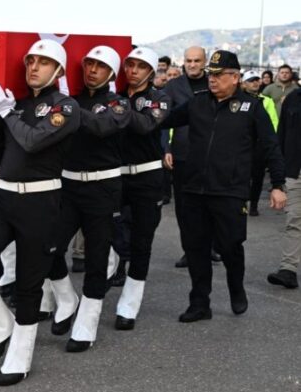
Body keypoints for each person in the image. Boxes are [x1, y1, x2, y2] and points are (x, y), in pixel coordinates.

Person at [0, 39, 82, 386]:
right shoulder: (13, 104)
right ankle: (0, 322)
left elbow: (32, 141)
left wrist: (6, 113)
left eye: (43, 63)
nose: (34, 67)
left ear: (58, 70)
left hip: (41, 201)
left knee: (30, 283)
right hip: (2, 197)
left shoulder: (66, 107)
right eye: (30, 61)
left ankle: (21, 352)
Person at [46, 46, 159, 350]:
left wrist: (67, 107)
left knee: (97, 256)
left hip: (103, 188)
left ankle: (88, 320)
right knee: (47, 249)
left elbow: (100, 127)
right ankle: (68, 299)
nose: (92, 70)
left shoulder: (118, 103)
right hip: (69, 185)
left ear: (111, 73)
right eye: (88, 64)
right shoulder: (72, 99)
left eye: (99, 66)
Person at [160, 50, 285, 322]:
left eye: (218, 75)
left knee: (230, 246)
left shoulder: (252, 107)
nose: (212, 80)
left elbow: (271, 146)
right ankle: (199, 302)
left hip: (229, 190)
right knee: (195, 247)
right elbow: (165, 120)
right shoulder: (197, 102)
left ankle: (236, 288)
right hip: (193, 188)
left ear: (235, 77)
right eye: (211, 74)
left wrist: (278, 185)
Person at [108, 47, 172, 330]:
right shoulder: (114, 95)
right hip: (114, 175)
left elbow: (147, 125)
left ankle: (128, 306)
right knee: (109, 233)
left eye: (139, 66)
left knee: (142, 242)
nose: (133, 71)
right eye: (129, 65)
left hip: (147, 177)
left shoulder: (160, 98)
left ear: (150, 71)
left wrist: (119, 110)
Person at [164, 47, 213, 268]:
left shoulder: (215, 83)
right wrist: (165, 148)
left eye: (197, 60)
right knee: (184, 207)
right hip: (182, 154)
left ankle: (209, 247)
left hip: (212, 155)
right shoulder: (173, 86)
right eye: (188, 60)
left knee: (210, 203)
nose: (192, 64)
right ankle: (190, 250)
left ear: (205, 62)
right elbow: (163, 120)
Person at [268, 87, 301, 289]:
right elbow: (281, 134)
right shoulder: (293, 98)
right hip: (295, 171)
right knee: (294, 220)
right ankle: (288, 270)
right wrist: (278, 176)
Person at [242, 70, 279, 216]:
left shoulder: (266, 100)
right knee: (243, 176)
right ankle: (242, 202)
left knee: (257, 177)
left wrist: (269, 140)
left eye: (257, 80)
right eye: (251, 80)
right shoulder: (239, 100)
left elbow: (273, 121)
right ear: (244, 84)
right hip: (244, 144)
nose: (255, 83)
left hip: (259, 145)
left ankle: (254, 205)